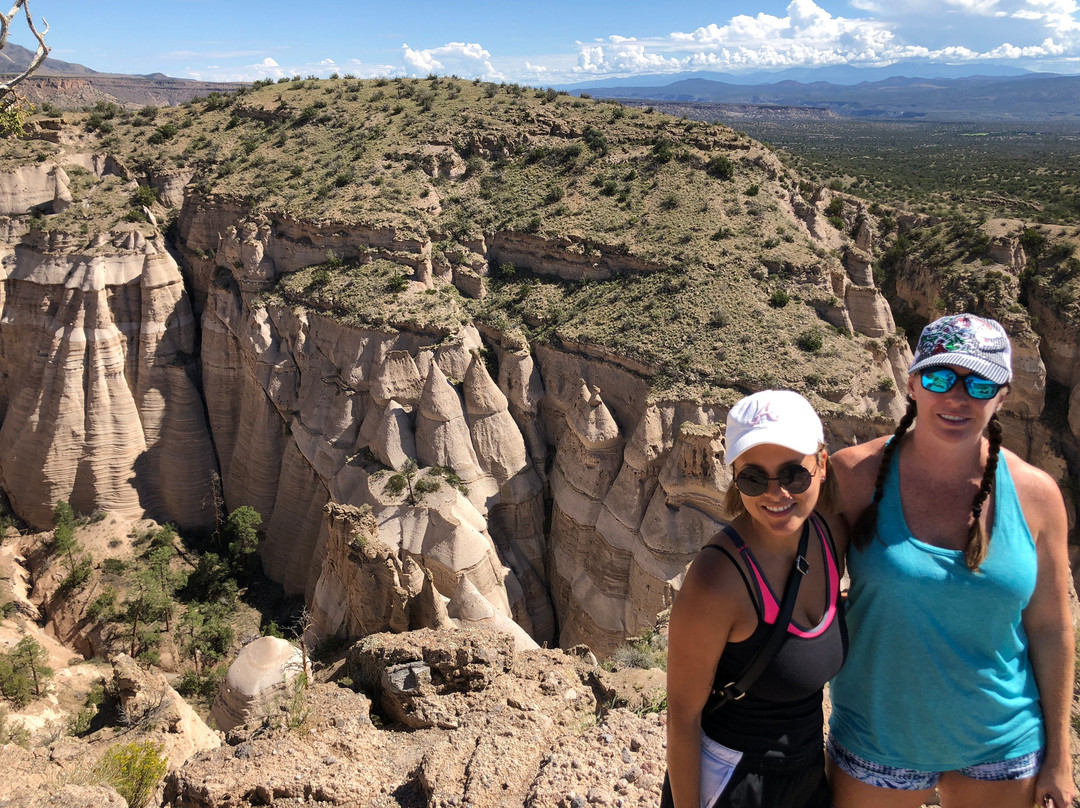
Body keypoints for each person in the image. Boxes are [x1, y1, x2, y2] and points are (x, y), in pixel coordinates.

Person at [826, 313, 1076, 808]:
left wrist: (1060, 758)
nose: (957, 397)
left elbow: (1051, 628)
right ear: (913, 382)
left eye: (979, 384)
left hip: (1003, 743)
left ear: (1002, 396)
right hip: (877, 738)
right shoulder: (853, 478)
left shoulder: (1037, 496)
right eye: (940, 378)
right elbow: (804, 596)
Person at [664, 390, 848, 808]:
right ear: (734, 477)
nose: (776, 492)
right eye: (752, 477)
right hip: (735, 785)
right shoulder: (717, 582)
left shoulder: (831, 533)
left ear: (821, 464)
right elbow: (683, 715)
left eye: (793, 474)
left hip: (807, 776)